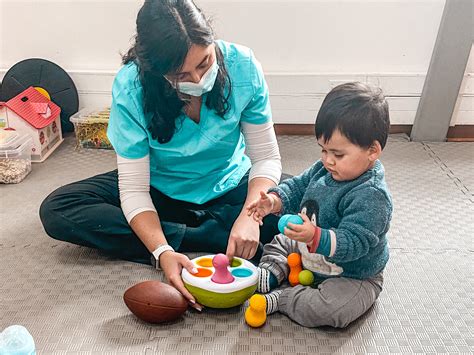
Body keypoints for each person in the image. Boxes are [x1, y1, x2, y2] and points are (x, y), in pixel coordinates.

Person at [39, 0, 282, 310]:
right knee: (58, 209)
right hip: (159, 190)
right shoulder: (132, 88)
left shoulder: (243, 66)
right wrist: (162, 253)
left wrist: (251, 215)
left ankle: (201, 233)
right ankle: (207, 237)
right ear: (156, 71)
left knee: (310, 201)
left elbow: (265, 158)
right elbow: (134, 189)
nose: (197, 80)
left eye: (204, 63)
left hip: (229, 185)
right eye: (182, 75)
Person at [246, 82, 393, 328]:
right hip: (307, 249)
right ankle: (272, 270)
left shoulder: (372, 196)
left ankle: (283, 298)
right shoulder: (323, 168)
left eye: (337, 154)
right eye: (323, 150)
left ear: (372, 150)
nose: (327, 160)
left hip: (350, 273)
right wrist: (273, 201)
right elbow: (297, 186)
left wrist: (315, 236)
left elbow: (354, 242)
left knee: (334, 310)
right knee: (280, 240)